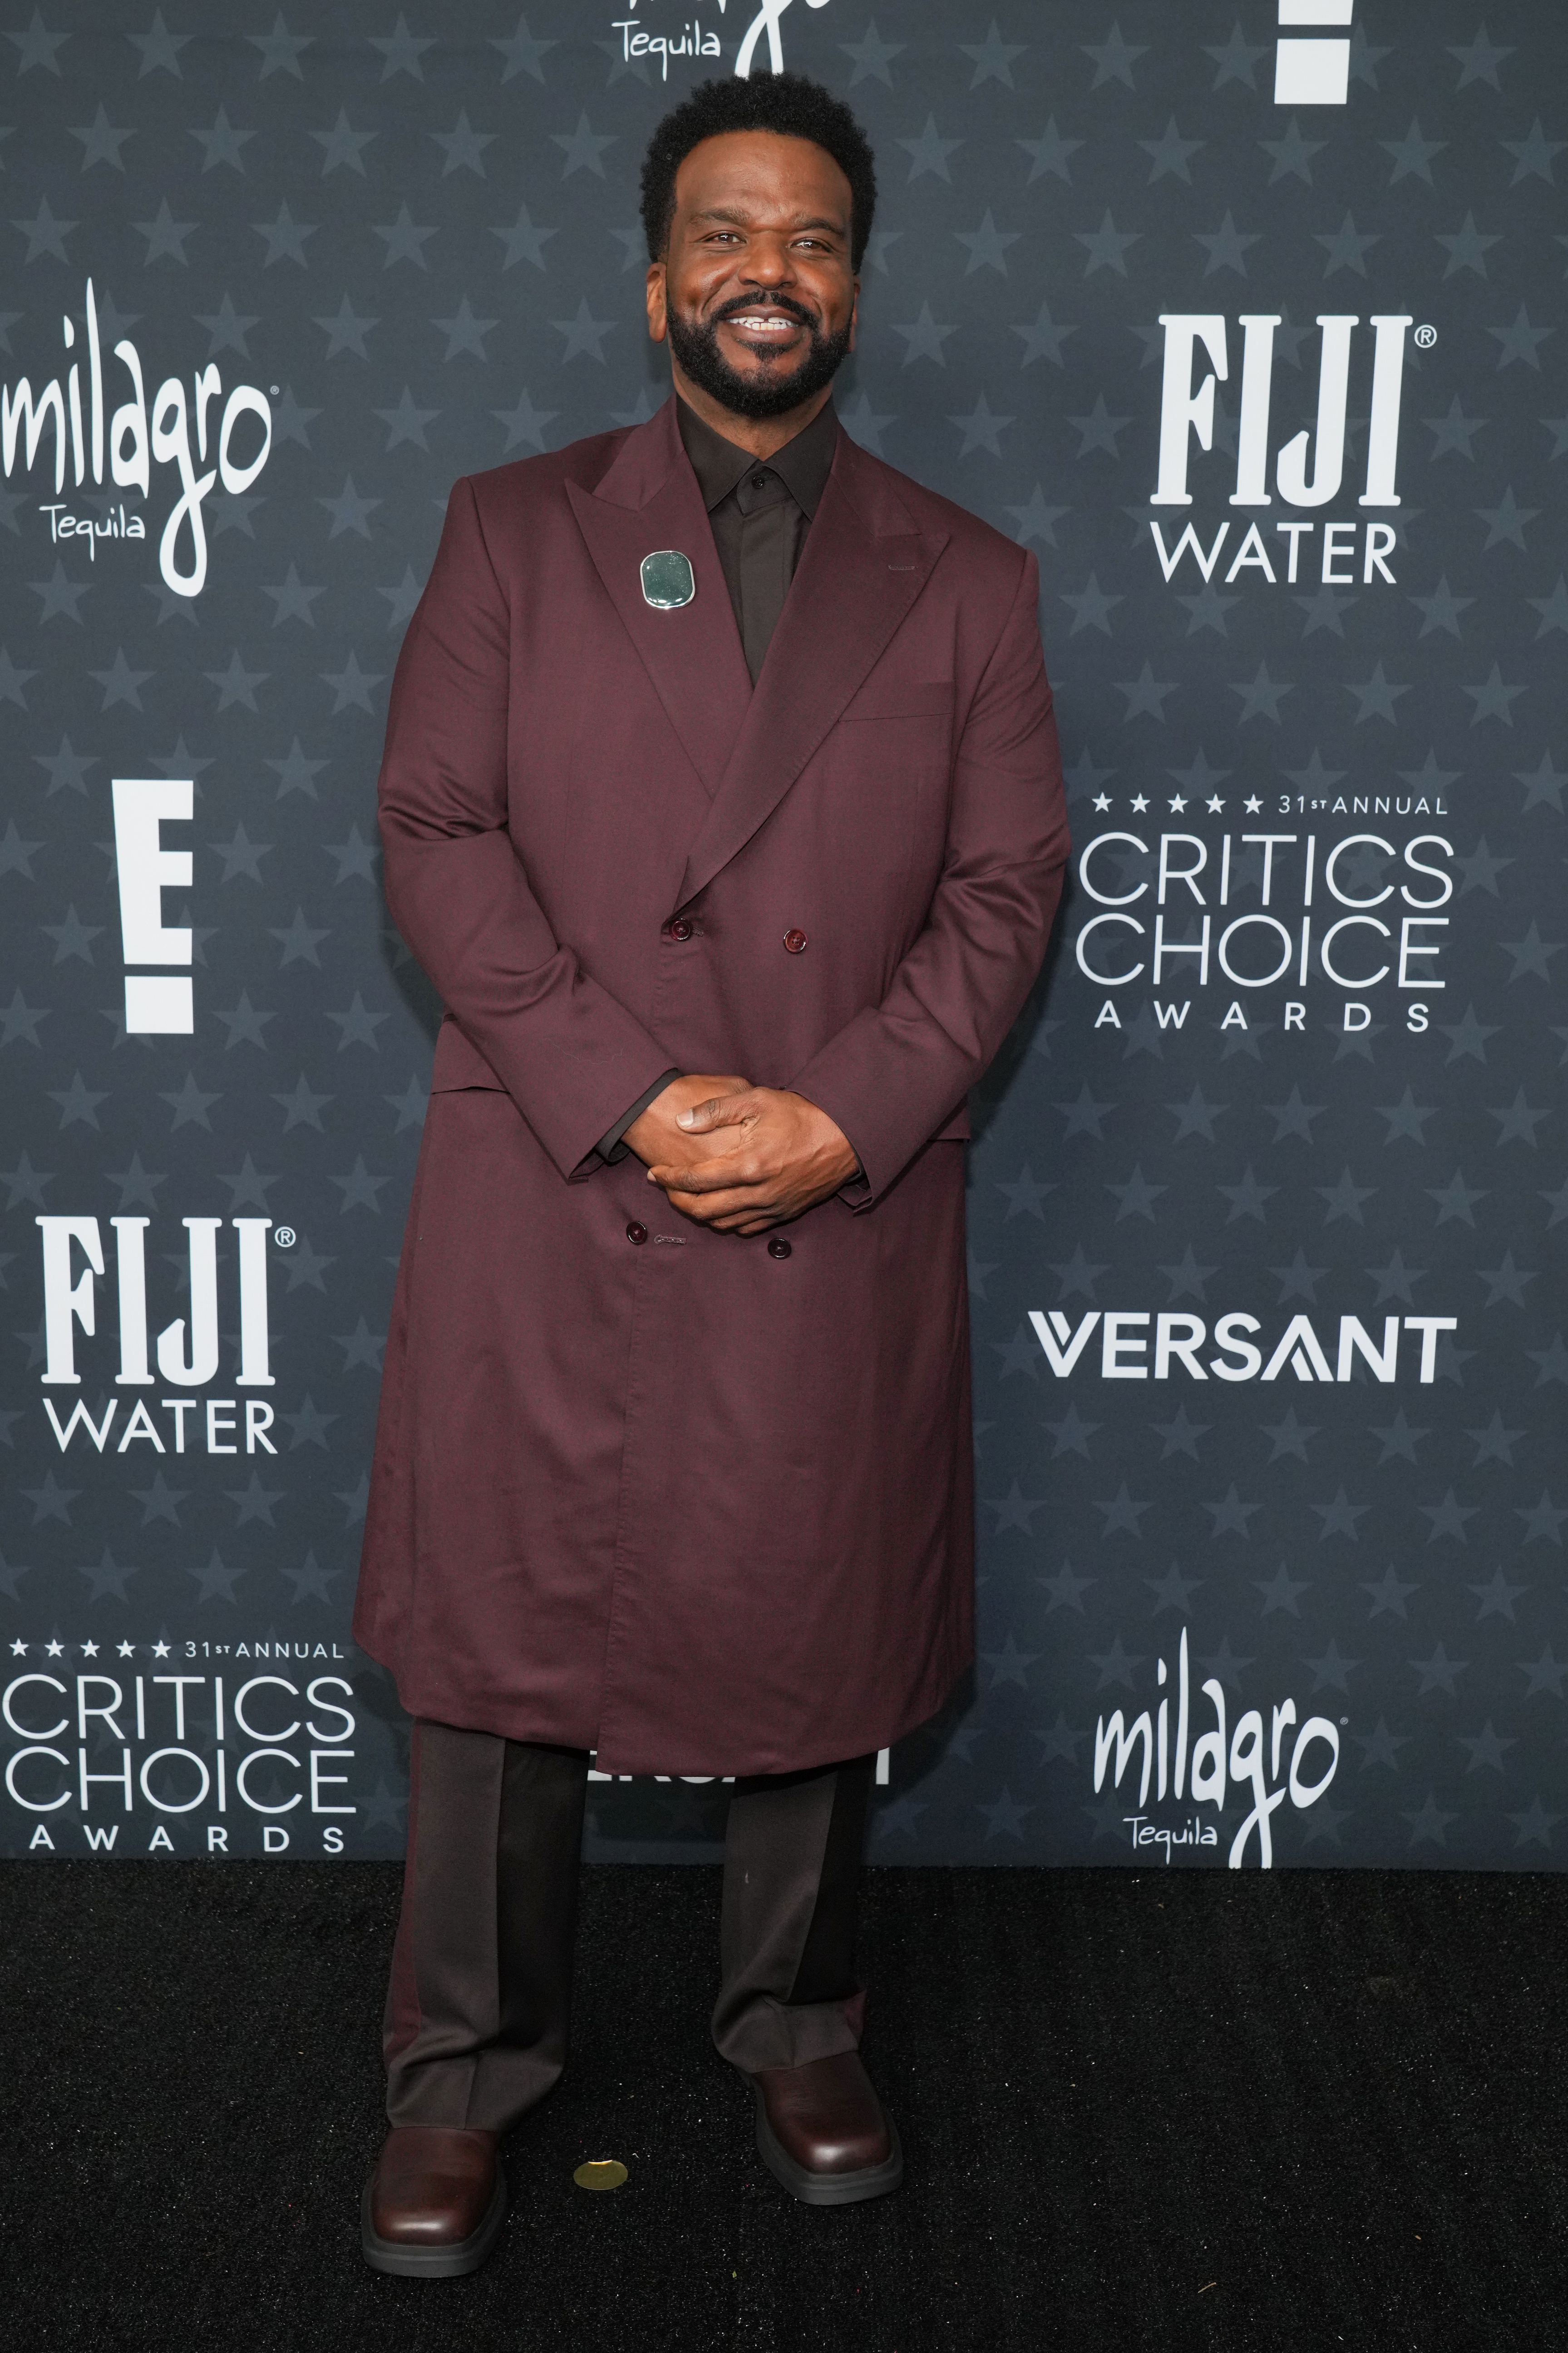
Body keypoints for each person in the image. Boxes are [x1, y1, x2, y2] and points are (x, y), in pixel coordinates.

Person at [352, 68, 1069, 2277]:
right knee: (502, 1645)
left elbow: (1007, 890)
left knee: (819, 1605)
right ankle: (463, 2070)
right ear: (657, 275)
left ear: (859, 281)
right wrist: (643, 1095)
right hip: (564, 1176)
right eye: (734, 234)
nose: (776, 272)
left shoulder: (965, 577)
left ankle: (795, 2022)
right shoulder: (510, 527)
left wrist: (840, 1116)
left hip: (829, 1179)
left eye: (819, 238)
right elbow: (437, 839)